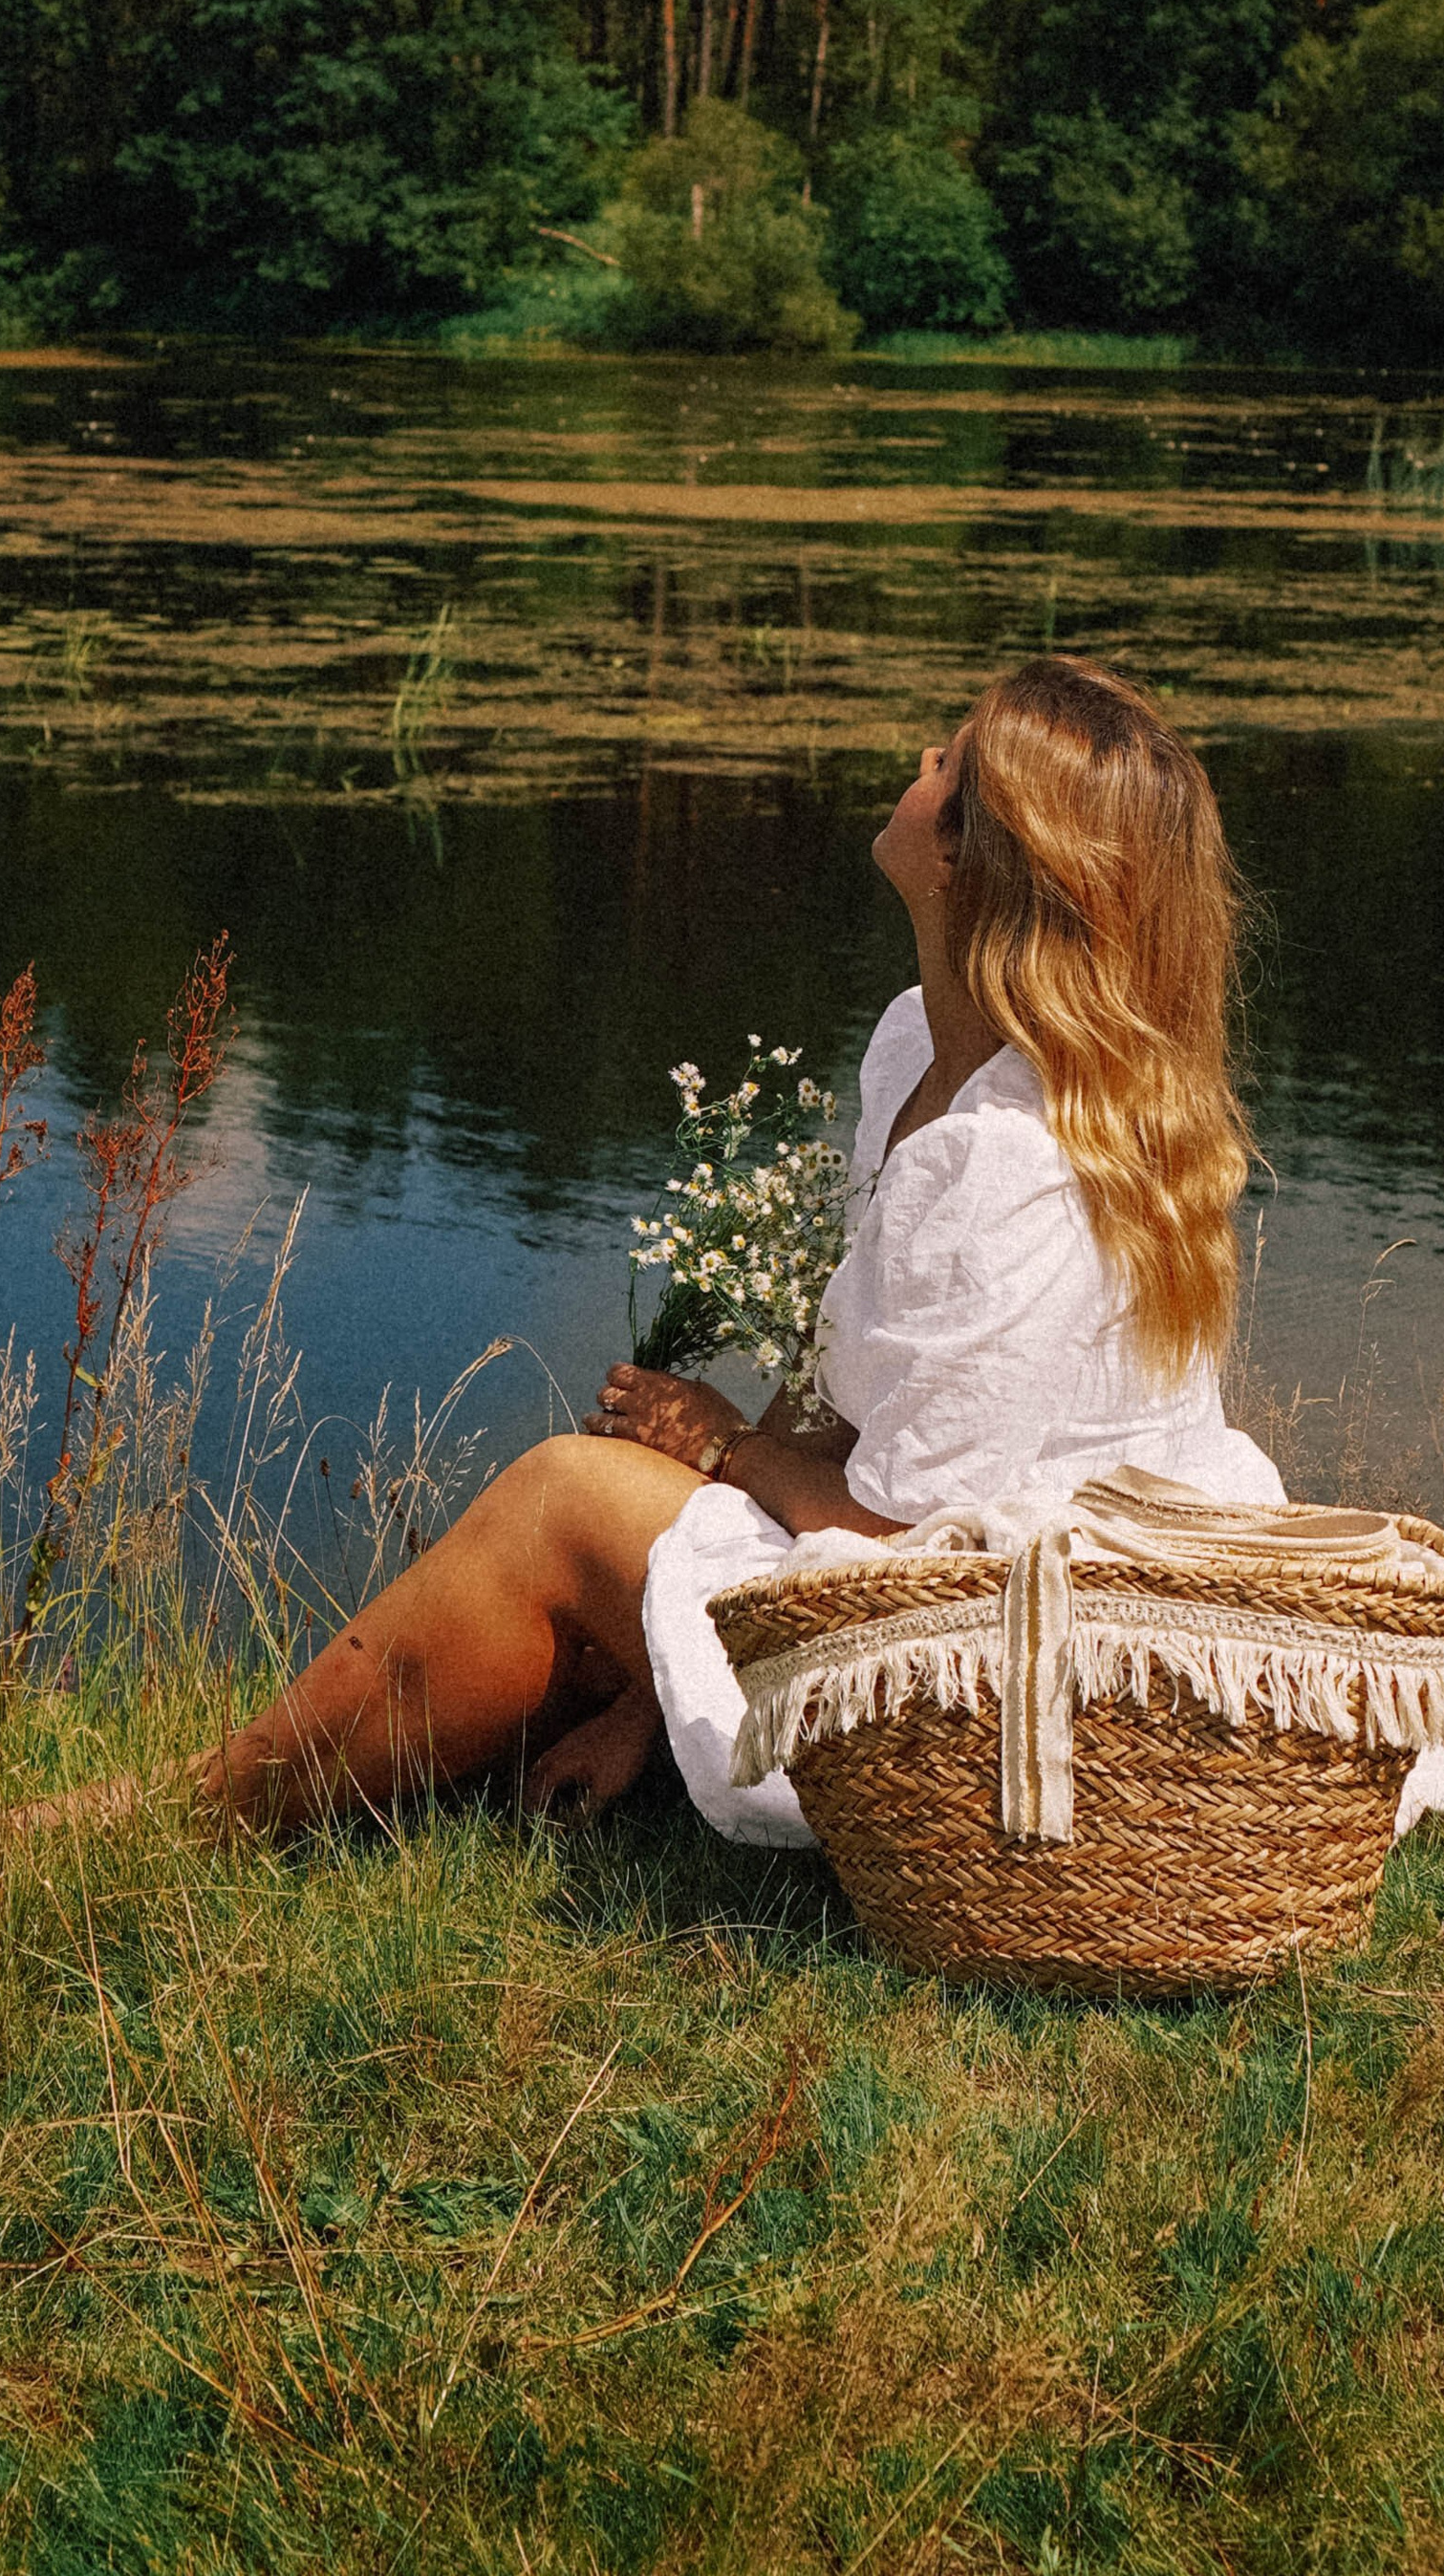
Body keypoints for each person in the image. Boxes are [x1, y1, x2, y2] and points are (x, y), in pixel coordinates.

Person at [162, 655, 1286, 1843]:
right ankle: (280, 1779)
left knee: (564, 1496)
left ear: (970, 856)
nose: (918, 763)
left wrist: (722, 1445)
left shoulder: (1011, 1162)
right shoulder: (923, 1051)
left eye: (946, 761)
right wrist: (648, 1700)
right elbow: (864, 1395)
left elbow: (905, 1543)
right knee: (607, 1543)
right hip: (972, 1589)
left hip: (1007, 1657)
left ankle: (197, 1811)